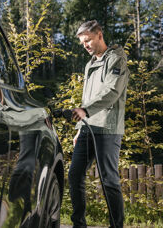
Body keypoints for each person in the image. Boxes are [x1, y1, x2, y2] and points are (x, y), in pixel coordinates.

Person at [68, 20, 129, 228]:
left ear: (99, 35)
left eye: (88, 40)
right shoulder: (90, 64)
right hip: (87, 127)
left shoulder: (116, 59)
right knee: (74, 175)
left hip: (108, 128)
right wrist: (79, 128)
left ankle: (116, 225)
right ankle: (79, 224)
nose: (85, 45)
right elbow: (86, 98)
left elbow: (111, 92)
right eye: (82, 42)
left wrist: (85, 111)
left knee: (108, 180)